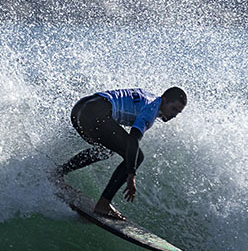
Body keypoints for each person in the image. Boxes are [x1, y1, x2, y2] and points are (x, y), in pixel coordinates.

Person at [56, 86, 187, 220]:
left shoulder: (149, 98)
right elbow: (133, 139)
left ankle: (58, 173)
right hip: (95, 114)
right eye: (173, 109)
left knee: (106, 150)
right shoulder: (151, 109)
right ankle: (103, 204)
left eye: (178, 112)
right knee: (138, 156)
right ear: (164, 101)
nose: (174, 115)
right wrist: (131, 173)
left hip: (80, 109)